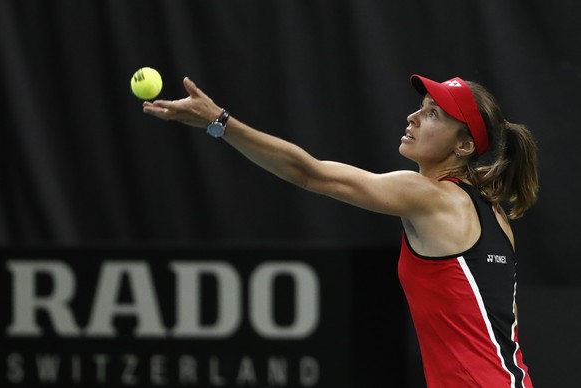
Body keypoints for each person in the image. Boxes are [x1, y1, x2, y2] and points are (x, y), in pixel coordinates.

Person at [143, 74, 538, 387]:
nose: (413, 118)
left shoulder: (429, 196)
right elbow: (503, 330)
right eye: (421, 108)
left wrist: (218, 121)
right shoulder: (496, 218)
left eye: (433, 114)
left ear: (464, 145)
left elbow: (308, 173)